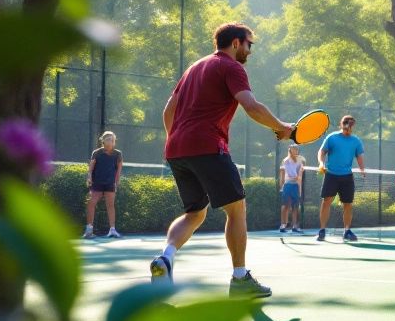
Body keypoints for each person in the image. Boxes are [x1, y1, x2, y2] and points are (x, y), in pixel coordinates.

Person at [150, 22, 294, 297]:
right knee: (236, 210)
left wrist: (176, 139)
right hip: (207, 145)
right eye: (249, 44)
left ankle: (165, 258)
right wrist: (280, 127)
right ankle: (240, 279)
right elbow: (251, 106)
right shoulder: (231, 67)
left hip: (177, 149)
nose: (250, 51)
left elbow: (169, 110)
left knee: (195, 212)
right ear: (236, 42)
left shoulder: (194, 68)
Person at [316, 115, 366, 242]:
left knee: (348, 204)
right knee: (326, 201)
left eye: (350, 124)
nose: (348, 126)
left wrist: (362, 169)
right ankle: (322, 230)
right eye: (346, 123)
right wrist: (321, 164)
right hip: (331, 175)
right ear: (341, 124)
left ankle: (347, 231)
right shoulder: (332, 138)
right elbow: (322, 152)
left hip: (347, 177)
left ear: (353, 126)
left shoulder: (356, 141)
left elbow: (359, 156)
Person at [84, 130, 123, 238]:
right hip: (96, 183)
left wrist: (116, 182)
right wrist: (89, 177)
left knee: (110, 205)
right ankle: (89, 230)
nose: (111, 141)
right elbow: (91, 168)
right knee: (91, 203)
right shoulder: (96, 153)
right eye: (108, 139)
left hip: (110, 183)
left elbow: (119, 169)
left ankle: (112, 230)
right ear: (103, 141)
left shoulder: (118, 154)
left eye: (112, 139)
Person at [278, 144, 304, 233]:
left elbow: (299, 174)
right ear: (290, 150)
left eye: (296, 149)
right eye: (294, 149)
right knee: (285, 205)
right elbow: (286, 174)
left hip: (295, 186)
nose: (295, 151)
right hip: (287, 185)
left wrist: (299, 185)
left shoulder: (300, 161)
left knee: (295, 206)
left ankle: (294, 226)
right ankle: (283, 225)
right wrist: (281, 186)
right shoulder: (286, 161)